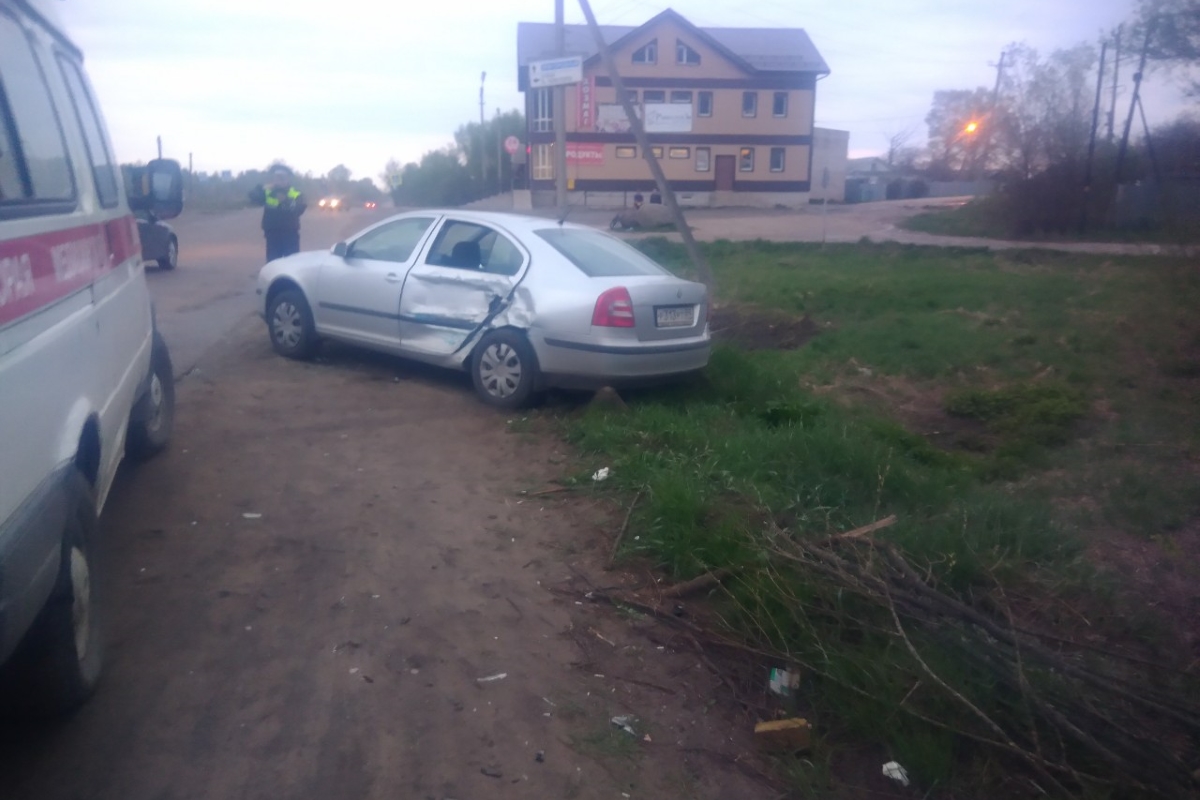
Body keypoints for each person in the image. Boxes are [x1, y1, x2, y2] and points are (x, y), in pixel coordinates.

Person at [249, 164, 307, 262]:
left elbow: (299, 209)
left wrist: (286, 200)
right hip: (272, 233)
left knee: (292, 263)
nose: (280, 180)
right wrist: (261, 188)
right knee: (273, 263)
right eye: (277, 177)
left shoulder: (296, 193)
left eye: (283, 177)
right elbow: (252, 197)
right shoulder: (268, 191)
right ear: (273, 179)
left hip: (290, 234)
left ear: (288, 179)